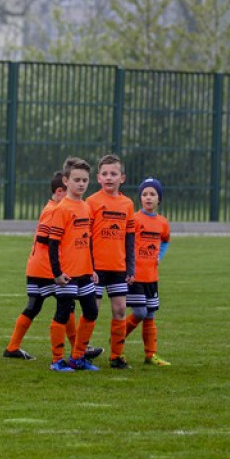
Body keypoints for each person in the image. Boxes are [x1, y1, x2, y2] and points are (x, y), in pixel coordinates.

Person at [3, 171, 96, 361]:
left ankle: (13, 347)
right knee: (65, 306)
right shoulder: (53, 210)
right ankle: (76, 350)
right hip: (46, 268)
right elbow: (45, 239)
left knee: (36, 306)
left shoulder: (55, 208)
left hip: (40, 266)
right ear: (60, 190)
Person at [47, 157, 100, 372]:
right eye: (77, 179)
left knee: (91, 312)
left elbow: (88, 241)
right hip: (67, 273)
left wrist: (93, 267)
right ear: (66, 181)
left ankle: (77, 357)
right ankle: (56, 360)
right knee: (62, 314)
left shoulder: (86, 207)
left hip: (85, 272)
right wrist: (57, 273)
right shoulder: (62, 209)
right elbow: (52, 245)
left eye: (85, 180)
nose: (81, 184)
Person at [86, 154, 136, 370]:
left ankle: (117, 356)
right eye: (105, 174)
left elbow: (130, 238)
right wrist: (88, 265)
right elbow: (85, 237)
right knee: (92, 311)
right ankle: (80, 352)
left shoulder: (127, 204)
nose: (109, 177)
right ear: (98, 177)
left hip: (118, 268)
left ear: (122, 178)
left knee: (120, 310)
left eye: (113, 174)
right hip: (96, 268)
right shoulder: (92, 202)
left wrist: (130, 267)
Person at [124, 177, 172, 366]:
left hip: (152, 277)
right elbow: (125, 241)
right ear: (140, 198)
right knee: (140, 312)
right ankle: (119, 338)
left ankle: (150, 355)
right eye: (145, 194)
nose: (148, 197)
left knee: (150, 315)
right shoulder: (134, 220)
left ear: (159, 199)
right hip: (136, 276)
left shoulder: (162, 222)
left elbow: (166, 240)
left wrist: (159, 255)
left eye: (153, 194)